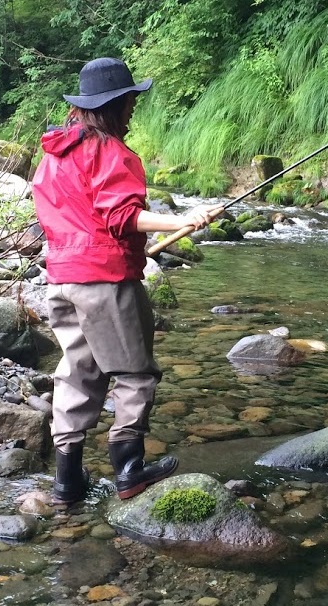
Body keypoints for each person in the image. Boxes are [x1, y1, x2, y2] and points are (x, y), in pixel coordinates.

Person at [31, 57, 220, 504]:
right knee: (135, 374)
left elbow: (69, 220)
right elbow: (122, 216)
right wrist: (183, 219)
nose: (134, 108)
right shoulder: (109, 151)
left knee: (79, 373)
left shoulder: (52, 156)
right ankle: (130, 470)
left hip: (61, 281)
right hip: (104, 283)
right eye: (131, 101)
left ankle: (67, 482)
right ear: (115, 105)